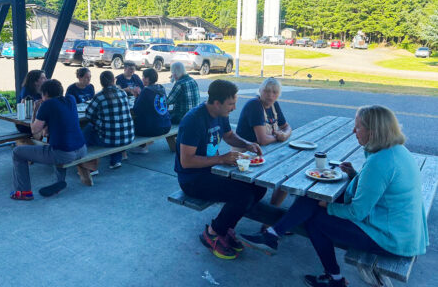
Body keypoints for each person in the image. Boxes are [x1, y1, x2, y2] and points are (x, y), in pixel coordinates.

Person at [240, 105, 428, 287]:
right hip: (396, 224)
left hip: (392, 238)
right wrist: (355, 175)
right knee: (314, 195)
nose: (354, 131)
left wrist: (328, 206)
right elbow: (379, 188)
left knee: (316, 221)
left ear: (374, 131)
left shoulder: (380, 162)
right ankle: (273, 234)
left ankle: (334, 279)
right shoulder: (395, 150)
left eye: (358, 126)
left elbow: (357, 212)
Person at [175, 79, 267, 260]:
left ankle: (226, 228)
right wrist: (221, 159)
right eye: (231, 104)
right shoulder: (193, 120)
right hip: (192, 180)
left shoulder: (220, 114)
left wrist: (247, 144)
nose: (233, 108)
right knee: (243, 195)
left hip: (213, 170)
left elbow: (229, 136)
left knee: (258, 187)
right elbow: (187, 162)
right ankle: (213, 233)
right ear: (217, 103)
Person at [11, 79, 87, 200]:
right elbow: (57, 122)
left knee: (17, 152)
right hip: (82, 149)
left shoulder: (47, 104)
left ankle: (23, 192)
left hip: (64, 154)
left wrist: (36, 109)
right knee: (55, 145)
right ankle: (59, 182)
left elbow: (34, 130)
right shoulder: (70, 99)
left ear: (45, 94)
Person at [236, 77, 292, 206]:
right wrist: (279, 137)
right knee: (284, 175)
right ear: (260, 91)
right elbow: (262, 139)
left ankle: (270, 216)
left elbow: (287, 127)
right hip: (245, 157)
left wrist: (285, 134)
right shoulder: (254, 105)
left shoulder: (274, 105)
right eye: (267, 91)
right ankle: (269, 217)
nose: (270, 95)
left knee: (288, 172)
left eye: (274, 92)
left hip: (264, 153)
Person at [80, 71, 135, 184]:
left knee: (89, 129)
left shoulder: (99, 96)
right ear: (113, 80)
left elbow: (88, 115)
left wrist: (99, 119)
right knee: (114, 129)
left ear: (101, 82)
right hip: (128, 137)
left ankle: (90, 165)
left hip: (110, 139)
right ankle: (115, 160)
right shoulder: (122, 93)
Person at [129, 68, 171, 153]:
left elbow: (136, 110)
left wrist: (137, 96)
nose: (142, 79)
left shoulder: (146, 91)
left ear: (147, 79)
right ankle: (146, 143)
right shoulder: (161, 88)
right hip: (166, 126)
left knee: (132, 121)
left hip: (153, 129)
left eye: (143, 77)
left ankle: (142, 147)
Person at [16, 70, 47, 134]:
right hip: (25, 124)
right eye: (42, 78)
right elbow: (23, 106)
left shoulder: (43, 91)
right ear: (35, 82)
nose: (46, 79)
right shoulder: (26, 91)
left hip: (38, 120)